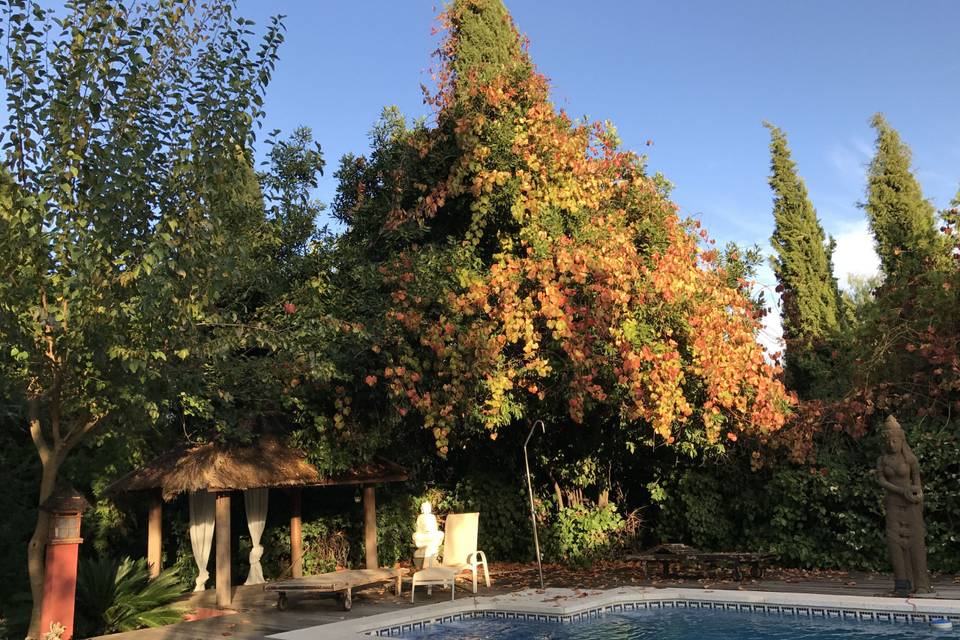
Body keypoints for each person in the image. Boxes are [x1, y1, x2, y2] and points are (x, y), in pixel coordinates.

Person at [875, 415, 932, 596]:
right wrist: (900, 491)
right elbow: (881, 481)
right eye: (888, 441)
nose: (892, 444)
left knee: (915, 542)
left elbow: (917, 483)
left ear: (902, 440)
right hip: (893, 504)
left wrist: (916, 494)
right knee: (895, 541)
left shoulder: (910, 459)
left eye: (895, 440)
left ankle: (921, 583)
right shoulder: (882, 461)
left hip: (911, 505)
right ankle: (902, 583)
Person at [412, 501, 444, 568]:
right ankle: (428, 549)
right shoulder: (420, 517)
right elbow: (417, 529)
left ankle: (429, 551)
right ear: (422, 509)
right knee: (415, 535)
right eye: (424, 508)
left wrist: (431, 532)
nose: (426, 509)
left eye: (427, 508)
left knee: (440, 534)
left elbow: (435, 528)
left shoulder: (432, 517)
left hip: (431, 535)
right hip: (423, 536)